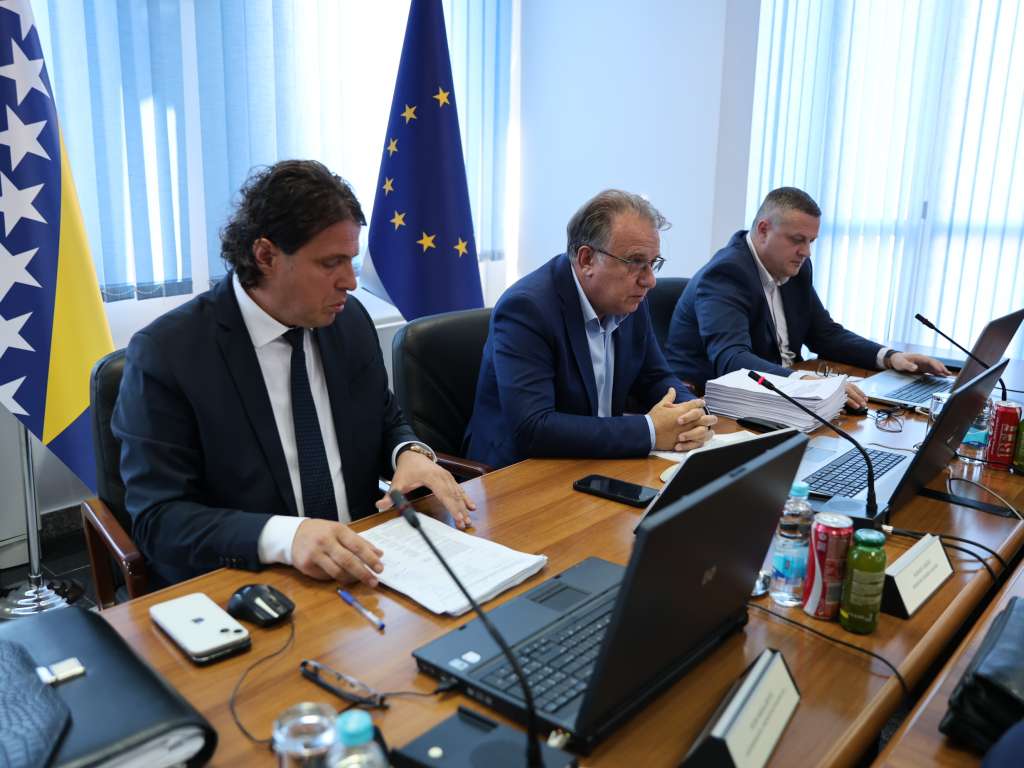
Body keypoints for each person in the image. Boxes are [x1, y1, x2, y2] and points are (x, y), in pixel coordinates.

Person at [112, 160, 473, 588]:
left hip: (364, 563)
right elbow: (160, 520)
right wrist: (286, 536)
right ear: (266, 256)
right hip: (251, 580)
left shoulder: (349, 322)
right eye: (331, 263)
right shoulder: (168, 354)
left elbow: (385, 419)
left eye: (351, 261)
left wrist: (408, 452)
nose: (349, 282)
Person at [465, 189, 716, 469]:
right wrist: (651, 431)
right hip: (519, 472)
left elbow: (655, 377)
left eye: (653, 263)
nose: (649, 280)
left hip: (598, 458)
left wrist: (691, 413)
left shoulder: (630, 300)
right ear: (586, 260)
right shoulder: (527, 309)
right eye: (635, 262)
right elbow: (534, 427)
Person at [664, 187, 950, 404]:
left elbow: (825, 334)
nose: (806, 252)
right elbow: (732, 359)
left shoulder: (795, 268)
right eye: (797, 240)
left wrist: (890, 357)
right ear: (763, 230)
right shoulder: (727, 274)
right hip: (713, 403)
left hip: (784, 395)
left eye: (811, 241)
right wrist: (806, 381)